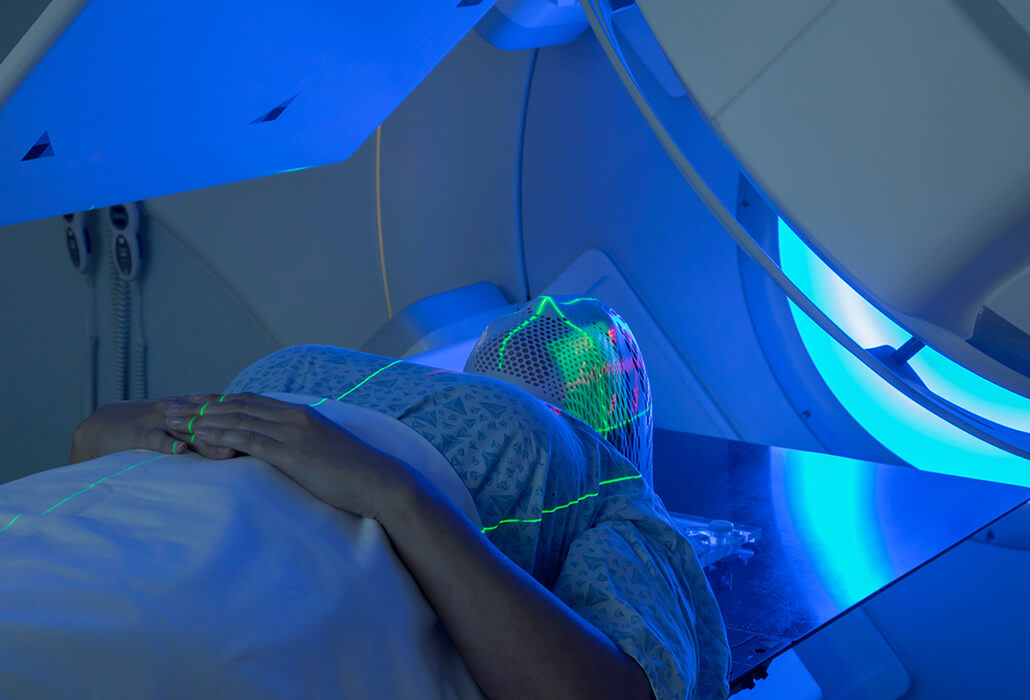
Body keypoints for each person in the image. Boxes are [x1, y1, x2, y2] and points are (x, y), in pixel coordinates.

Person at [70, 296, 731, 700]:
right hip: (153, 522)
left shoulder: (603, 493)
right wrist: (392, 490)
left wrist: (393, 491)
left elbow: (91, 438)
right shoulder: (602, 481)